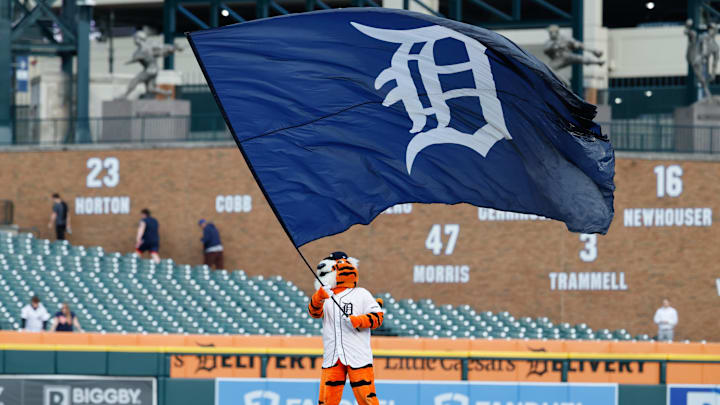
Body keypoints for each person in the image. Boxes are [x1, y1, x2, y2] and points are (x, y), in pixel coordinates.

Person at [308, 251, 384, 405]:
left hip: (357, 356)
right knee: (326, 401)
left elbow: (378, 317)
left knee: (367, 398)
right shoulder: (325, 296)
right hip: (332, 356)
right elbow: (314, 313)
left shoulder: (361, 294)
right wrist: (318, 297)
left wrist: (358, 320)